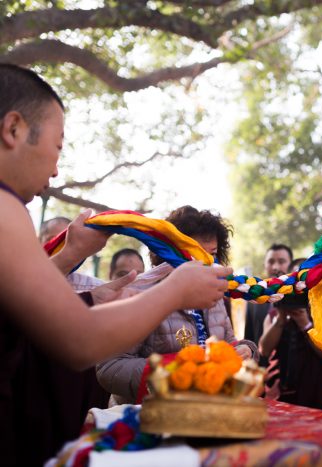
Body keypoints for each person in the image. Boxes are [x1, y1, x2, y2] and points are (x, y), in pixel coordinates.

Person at [0, 63, 232, 465]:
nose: (55, 169)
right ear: (14, 129)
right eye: (57, 147)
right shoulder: (5, 209)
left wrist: (73, 256)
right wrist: (173, 291)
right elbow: (79, 343)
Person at [97, 205, 257, 404]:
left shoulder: (215, 299)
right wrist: (173, 372)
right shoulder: (141, 294)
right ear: (168, 251)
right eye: (194, 253)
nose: (206, 263)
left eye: (212, 254)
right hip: (150, 418)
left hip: (206, 412)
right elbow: (109, 368)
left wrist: (246, 349)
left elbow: (229, 344)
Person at [258, 258, 322, 409]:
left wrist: (306, 325)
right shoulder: (274, 314)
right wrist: (281, 319)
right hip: (281, 392)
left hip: (318, 392)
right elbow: (264, 349)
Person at [244, 243, 293, 345]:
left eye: (281, 261)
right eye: (271, 262)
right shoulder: (253, 298)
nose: (275, 267)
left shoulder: (303, 295)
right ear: (264, 265)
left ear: (291, 264)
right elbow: (249, 337)